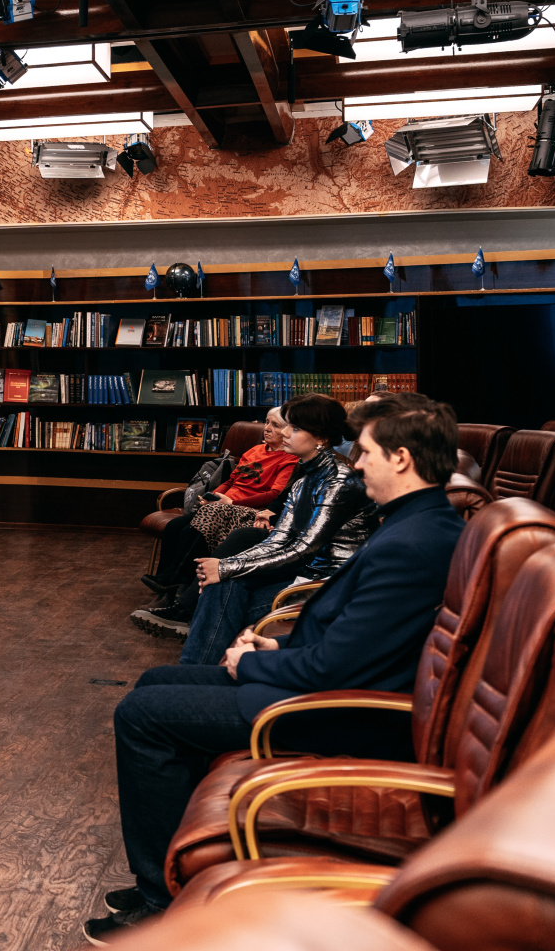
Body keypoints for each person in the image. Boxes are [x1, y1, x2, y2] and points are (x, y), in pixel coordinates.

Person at [83, 394, 465, 944]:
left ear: (401, 458)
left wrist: (255, 662)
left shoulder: (412, 542)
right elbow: (353, 644)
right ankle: (171, 874)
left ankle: (160, 901)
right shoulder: (415, 524)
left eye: (366, 453)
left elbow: (336, 667)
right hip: (325, 687)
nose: (357, 465)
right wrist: (270, 649)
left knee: (142, 714)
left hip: (335, 712)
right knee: (154, 681)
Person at [172, 394, 376, 662]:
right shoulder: (304, 479)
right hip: (302, 573)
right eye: (287, 425)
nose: (286, 433)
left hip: (329, 582)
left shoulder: (338, 481)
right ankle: (198, 672)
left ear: (322, 438)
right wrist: (224, 566)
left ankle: (196, 671)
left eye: (296, 428)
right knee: (221, 585)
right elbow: (278, 539)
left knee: (223, 589)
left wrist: (225, 567)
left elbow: (303, 549)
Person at [132, 407, 295, 635]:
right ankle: (167, 585)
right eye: (266, 422)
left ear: (289, 430)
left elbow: (274, 495)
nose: (266, 428)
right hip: (222, 504)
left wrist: (231, 502)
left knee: (195, 528)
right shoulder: (254, 450)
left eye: (274, 425)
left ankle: (174, 581)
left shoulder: (289, 459)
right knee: (175, 526)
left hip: (244, 509)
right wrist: (214, 495)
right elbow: (232, 480)